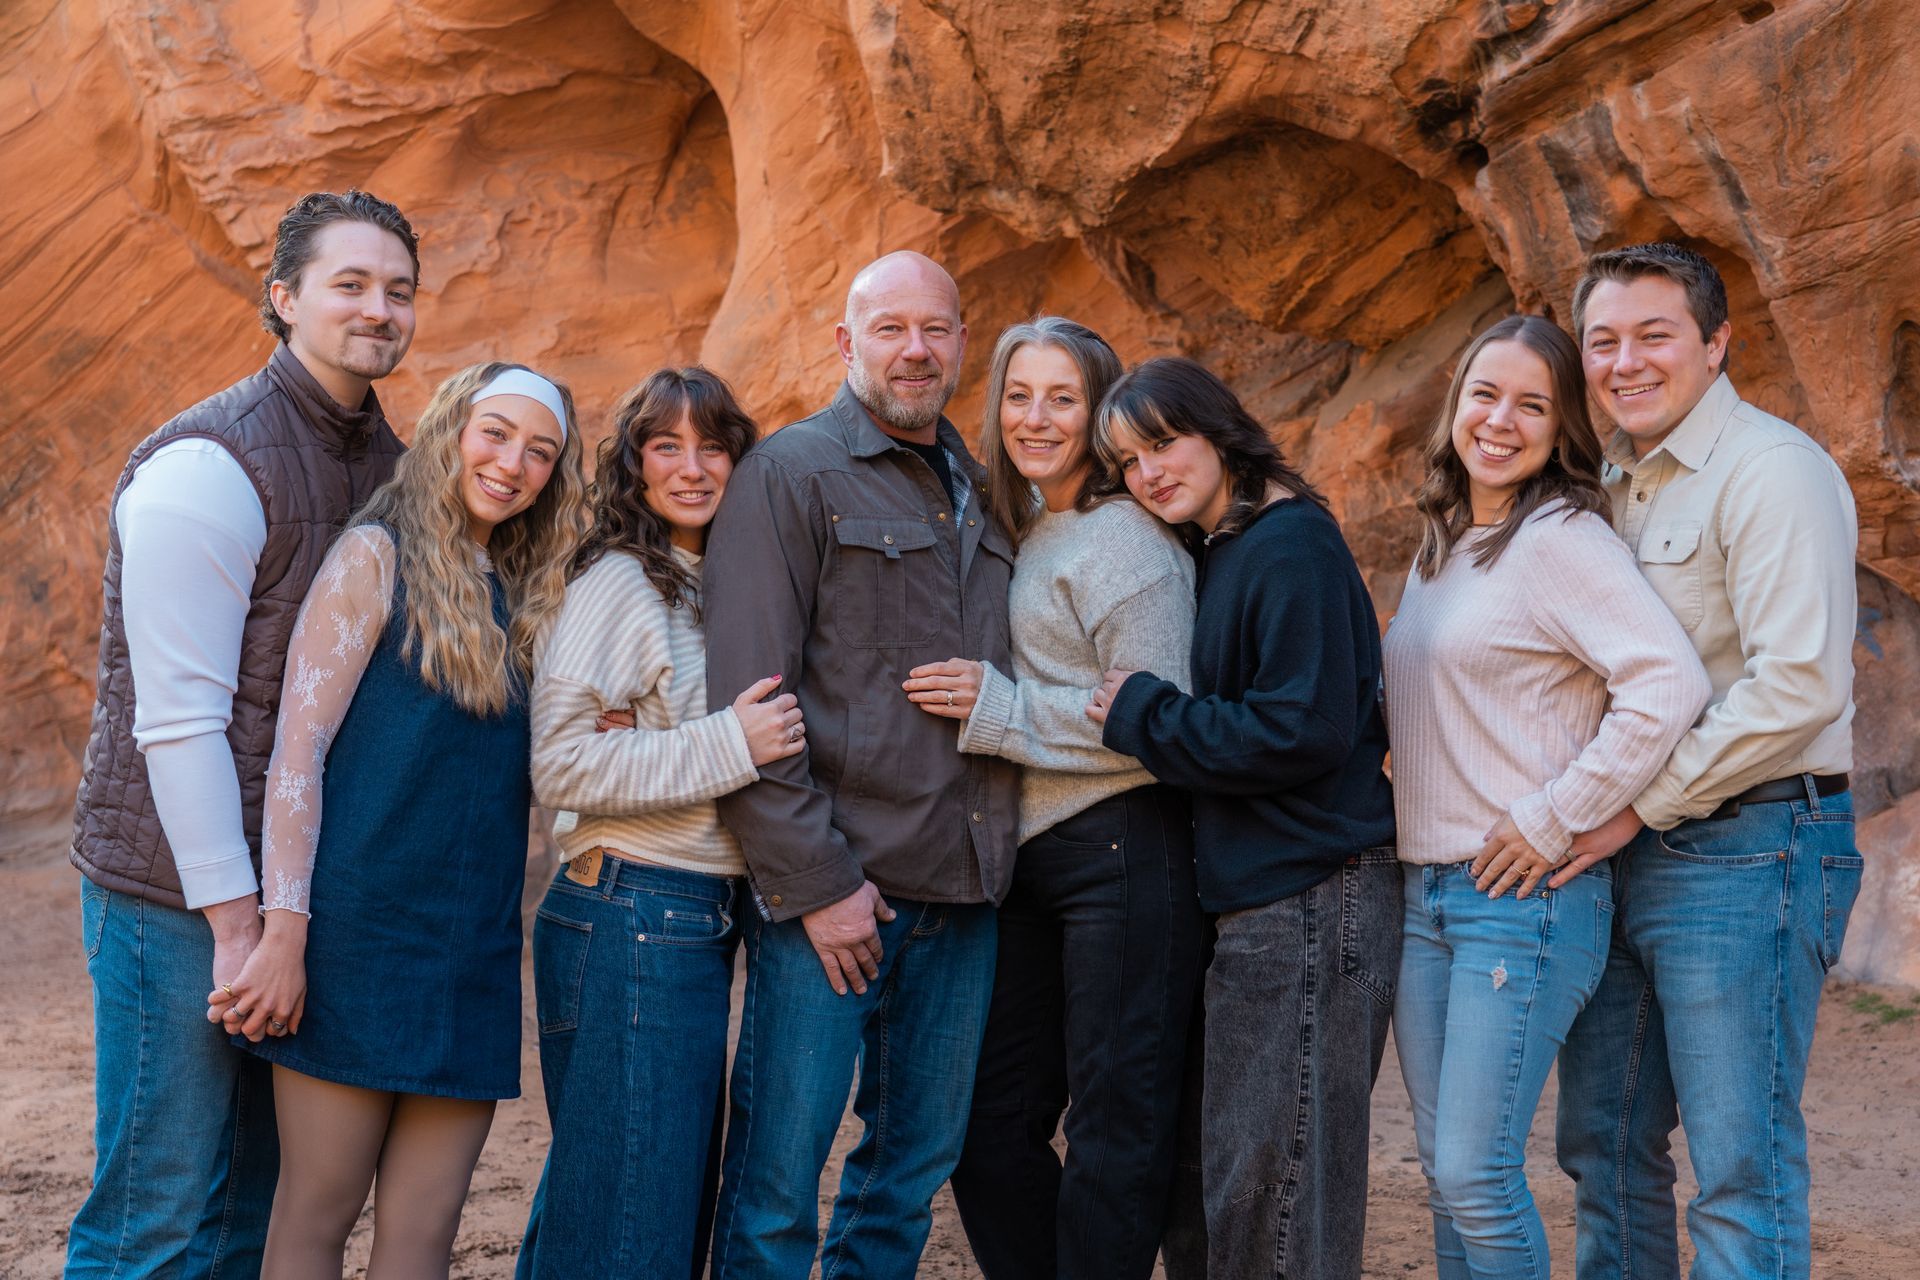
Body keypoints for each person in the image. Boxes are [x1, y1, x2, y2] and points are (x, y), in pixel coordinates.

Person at [67, 189, 420, 1279]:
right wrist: (237, 927)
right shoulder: (207, 466)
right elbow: (178, 721)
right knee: (157, 1210)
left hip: (295, 898)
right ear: (284, 297)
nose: (379, 308)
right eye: (349, 284)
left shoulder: (391, 462)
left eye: (398, 289)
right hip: (178, 895)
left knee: (248, 1214)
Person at [210, 362, 587, 1278]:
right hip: (355, 942)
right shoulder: (375, 556)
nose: (512, 464)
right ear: (451, 428)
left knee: (425, 1235)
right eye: (496, 433)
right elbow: (297, 755)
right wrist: (285, 935)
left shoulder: (534, 592)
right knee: (317, 1211)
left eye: (541, 452)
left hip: (474, 952)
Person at [701, 250, 1017, 1276]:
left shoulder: (985, 490)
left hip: (964, 893)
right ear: (846, 343)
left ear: (962, 343)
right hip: (837, 896)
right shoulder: (790, 474)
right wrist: (819, 885)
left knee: (907, 1177)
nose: (914, 350)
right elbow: (750, 698)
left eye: (935, 329)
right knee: (778, 1181)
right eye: (889, 329)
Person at [1551, 243, 1863, 1280]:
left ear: (1717, 342)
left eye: (1655, 334)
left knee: (1739, 1166)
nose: (1624, 361)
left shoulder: (1773, 470)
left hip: (1751, 845)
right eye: (1603, 340)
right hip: (1615, 852)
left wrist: (1634, 805)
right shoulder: (1604, 485)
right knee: (1602, 1148)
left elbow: (1799, 686)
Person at [1381, 314, 1710, 1280]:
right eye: (1485, 394)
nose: (1500, 421)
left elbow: (1669, 684)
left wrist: (1553, 814)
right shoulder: (1445, 544)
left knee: (1475, 1175)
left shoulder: (1561, 536)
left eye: (1532, 405)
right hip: (1424, 894)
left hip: (1519, 901)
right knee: (1444, 1179)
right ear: (1455, 404)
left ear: (1562, 429)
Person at [1085, 357, 1399, 1280]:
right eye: (1128, 461)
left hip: (1314, 894)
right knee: (1234, 1184)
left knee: (1280, 1191)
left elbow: (1302, 728)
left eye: (1162, 443)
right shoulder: (1227, 546)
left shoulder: (1290, 544)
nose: (1148, 473)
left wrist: (1145, 715)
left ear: (1219, 430)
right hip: (1267, 898)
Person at [914, 318, 1204, 1280]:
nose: (1035, 418)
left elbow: (1163, 717)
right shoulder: (1024, 526)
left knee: (1115, 1126)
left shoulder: (1128, 541)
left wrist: (1001, 708)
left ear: (1101, 412)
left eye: (1063, 398)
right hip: (1030, 858)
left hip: (1127, 847)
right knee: (987, 1121)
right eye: (1018, 395)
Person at [514, 368, 805, 1278]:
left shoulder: (718, 581)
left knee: (623, 1208)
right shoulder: (620, 583)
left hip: (684, 915)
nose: (691, 468)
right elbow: (560, 764)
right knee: (630, 1225)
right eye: (666, 446)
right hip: (631, 907)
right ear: (634, 463)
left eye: (713, 447)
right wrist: (731, 743)